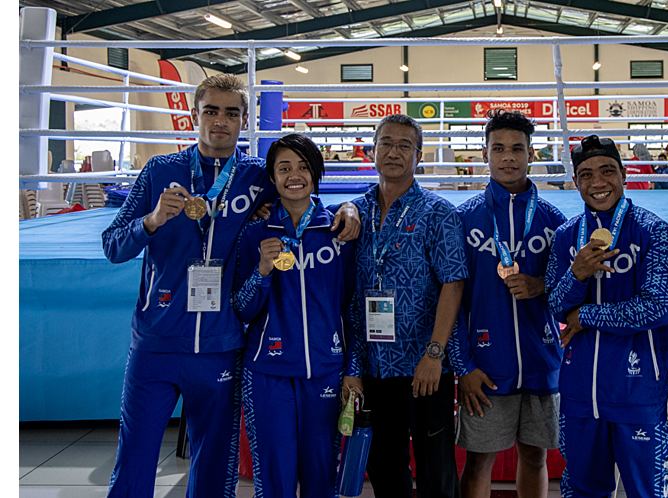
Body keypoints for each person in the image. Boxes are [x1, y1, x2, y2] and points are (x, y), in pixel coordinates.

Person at [100, 74, 359, 498]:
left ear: (244, 120)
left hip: (221, 345)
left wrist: (350, 207)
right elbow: (112, 245)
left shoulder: (257, 176)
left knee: (214, 466)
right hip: (156, 341)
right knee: (134, 459)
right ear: (194, 115)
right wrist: (152, 221)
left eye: (231, 113)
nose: (220, 121)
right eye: (211, 111)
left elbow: (304, 196)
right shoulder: (160, 171)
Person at [545, 135, 668, 497]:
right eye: (586, 175)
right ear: (575, 182)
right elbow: (555, 306)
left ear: (624, 174)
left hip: (637, 390)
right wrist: (576, 274)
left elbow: (657, 307)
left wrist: (587, 315)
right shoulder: (566, 235)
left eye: (607, 171)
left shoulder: (653, 231)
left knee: (649, 491)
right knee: (582, 490)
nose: (598, 182)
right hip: (579, 393)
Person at [232, 134, 361, 498]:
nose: (294, 176)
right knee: (274, 479)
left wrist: (353, 367)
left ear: (316, 173)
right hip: (267, 372)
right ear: (272, 178)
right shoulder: (254, 233)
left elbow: (352, 307)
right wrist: (262, 271)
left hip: (326, 369)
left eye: (303, 167)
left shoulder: (339, 231)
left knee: (321, 477)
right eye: (284, 168)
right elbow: (242, 308)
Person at [350, 114, 468, 498]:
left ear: (419, 156)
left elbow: (453, 284)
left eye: (405, 146)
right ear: (372, 151)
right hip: (373, 366)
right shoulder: (355, 212)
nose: (394, 152)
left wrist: (434, 353)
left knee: (436, 474)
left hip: (424, 367)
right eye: (386, 143)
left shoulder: (438, 213)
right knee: (385, 472)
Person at [453, 109, 567, 498]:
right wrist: (464, 366)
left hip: (542, 361)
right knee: (478, 462)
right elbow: (451, 301)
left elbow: (571, 290)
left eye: (517, 148)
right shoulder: (464, 219)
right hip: (486, 368)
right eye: (498, 148)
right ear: (484, 154)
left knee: (535, 457)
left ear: (531, 154)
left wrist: (542, 286)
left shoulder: (553, 220)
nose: (508, 157)